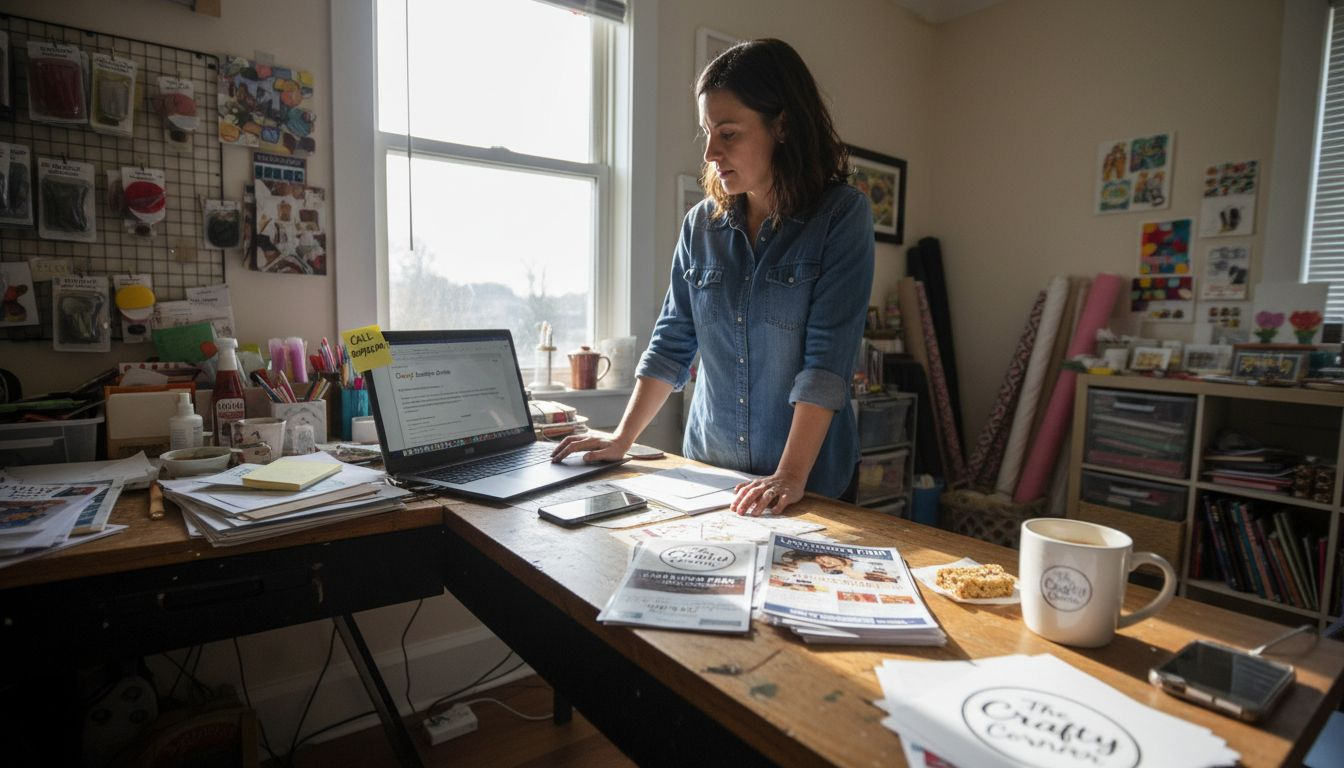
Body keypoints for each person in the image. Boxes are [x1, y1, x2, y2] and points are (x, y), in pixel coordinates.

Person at [550, 38, 874, 517]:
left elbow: (826, 366)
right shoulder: (701, 225)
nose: (710, 151)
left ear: (782, 126)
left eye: (728, 133)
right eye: (706, 132)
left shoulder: (841, 215)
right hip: (711, 476)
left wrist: (789, 475)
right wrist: (622, 439)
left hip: (809, 482)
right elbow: (672, 342)